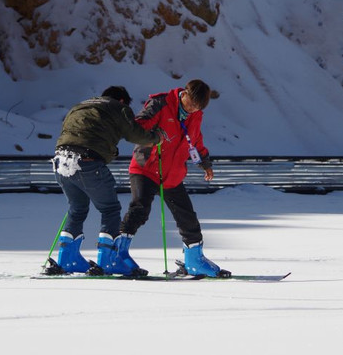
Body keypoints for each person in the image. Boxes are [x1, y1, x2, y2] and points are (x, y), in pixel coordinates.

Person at [117, 79, 230, 277]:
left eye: (198, 107)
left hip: (172, 174)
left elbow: (195, 140)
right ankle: (117, 253)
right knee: (140, 208)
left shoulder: (195, 116)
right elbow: (138, 126)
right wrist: (153, 134)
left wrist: (205, 162)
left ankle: (194, 259)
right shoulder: (161, 103)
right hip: (146, 167)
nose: (193, 109)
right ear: (184, 94)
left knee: (187, 217)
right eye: (191, 104)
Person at [49, 86, 163, 275]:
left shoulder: (80, 106)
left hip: (61, 162)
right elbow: (134, 134)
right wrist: (155, 138)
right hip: (87, 162)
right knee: (110, 209)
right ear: (122, 101)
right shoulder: (118, 107)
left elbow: (85, 134)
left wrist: (108, 150)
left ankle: (68, 258)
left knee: (77, 209)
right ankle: (108, 260)